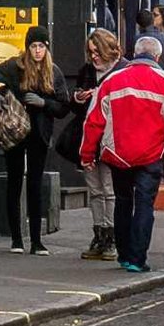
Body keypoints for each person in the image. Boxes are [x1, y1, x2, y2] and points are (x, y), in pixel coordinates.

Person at [80, 33, 164, 274]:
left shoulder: (111, 81)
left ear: (135, 52)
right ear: (158, 56)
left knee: (122, 202)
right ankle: (137, 259)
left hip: (117, 154)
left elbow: (93, 121)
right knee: (144, 206)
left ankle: (124, 254)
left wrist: (87, 155)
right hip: (151, 155)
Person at [0, 27, 61, 254]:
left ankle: (36, 241)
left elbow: (63, 106)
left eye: (41, 46)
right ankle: (16, 239)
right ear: (27, 47)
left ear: (47, 48)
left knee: (35, 183)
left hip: (39, 134)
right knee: (14, 182)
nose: (37, 51)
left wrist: (45, 103)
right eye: (33, 46)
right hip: (14, 132)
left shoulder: (53, 72)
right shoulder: (14, 66)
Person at [60, 30, 123, 261]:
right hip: (88, 137)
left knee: (109, 190)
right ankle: (98, 234)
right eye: (90, 52)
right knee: (94, 190)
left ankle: (111, 236)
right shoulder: (86, 71)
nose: (94, 57)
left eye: (97, 52)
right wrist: (78, 98)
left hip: (111, 138)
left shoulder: (121, 70)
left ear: (108, 49)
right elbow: (76, 108)